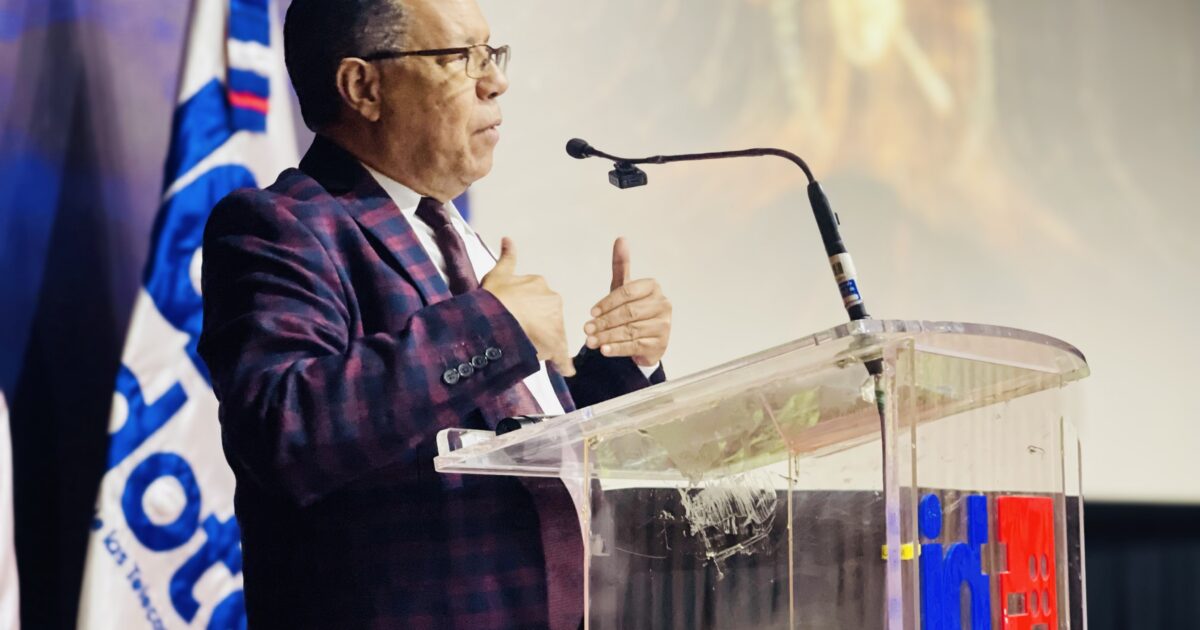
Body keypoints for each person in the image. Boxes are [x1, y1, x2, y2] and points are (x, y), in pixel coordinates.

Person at [196, 0, 673, 627]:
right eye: (461, 57)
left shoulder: (451, 234)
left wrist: (622, 365)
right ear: (363, 87)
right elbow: (285, 431)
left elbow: (512, 445)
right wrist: (496, 325)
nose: (495, 80)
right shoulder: (281, 226)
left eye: (492, 53)